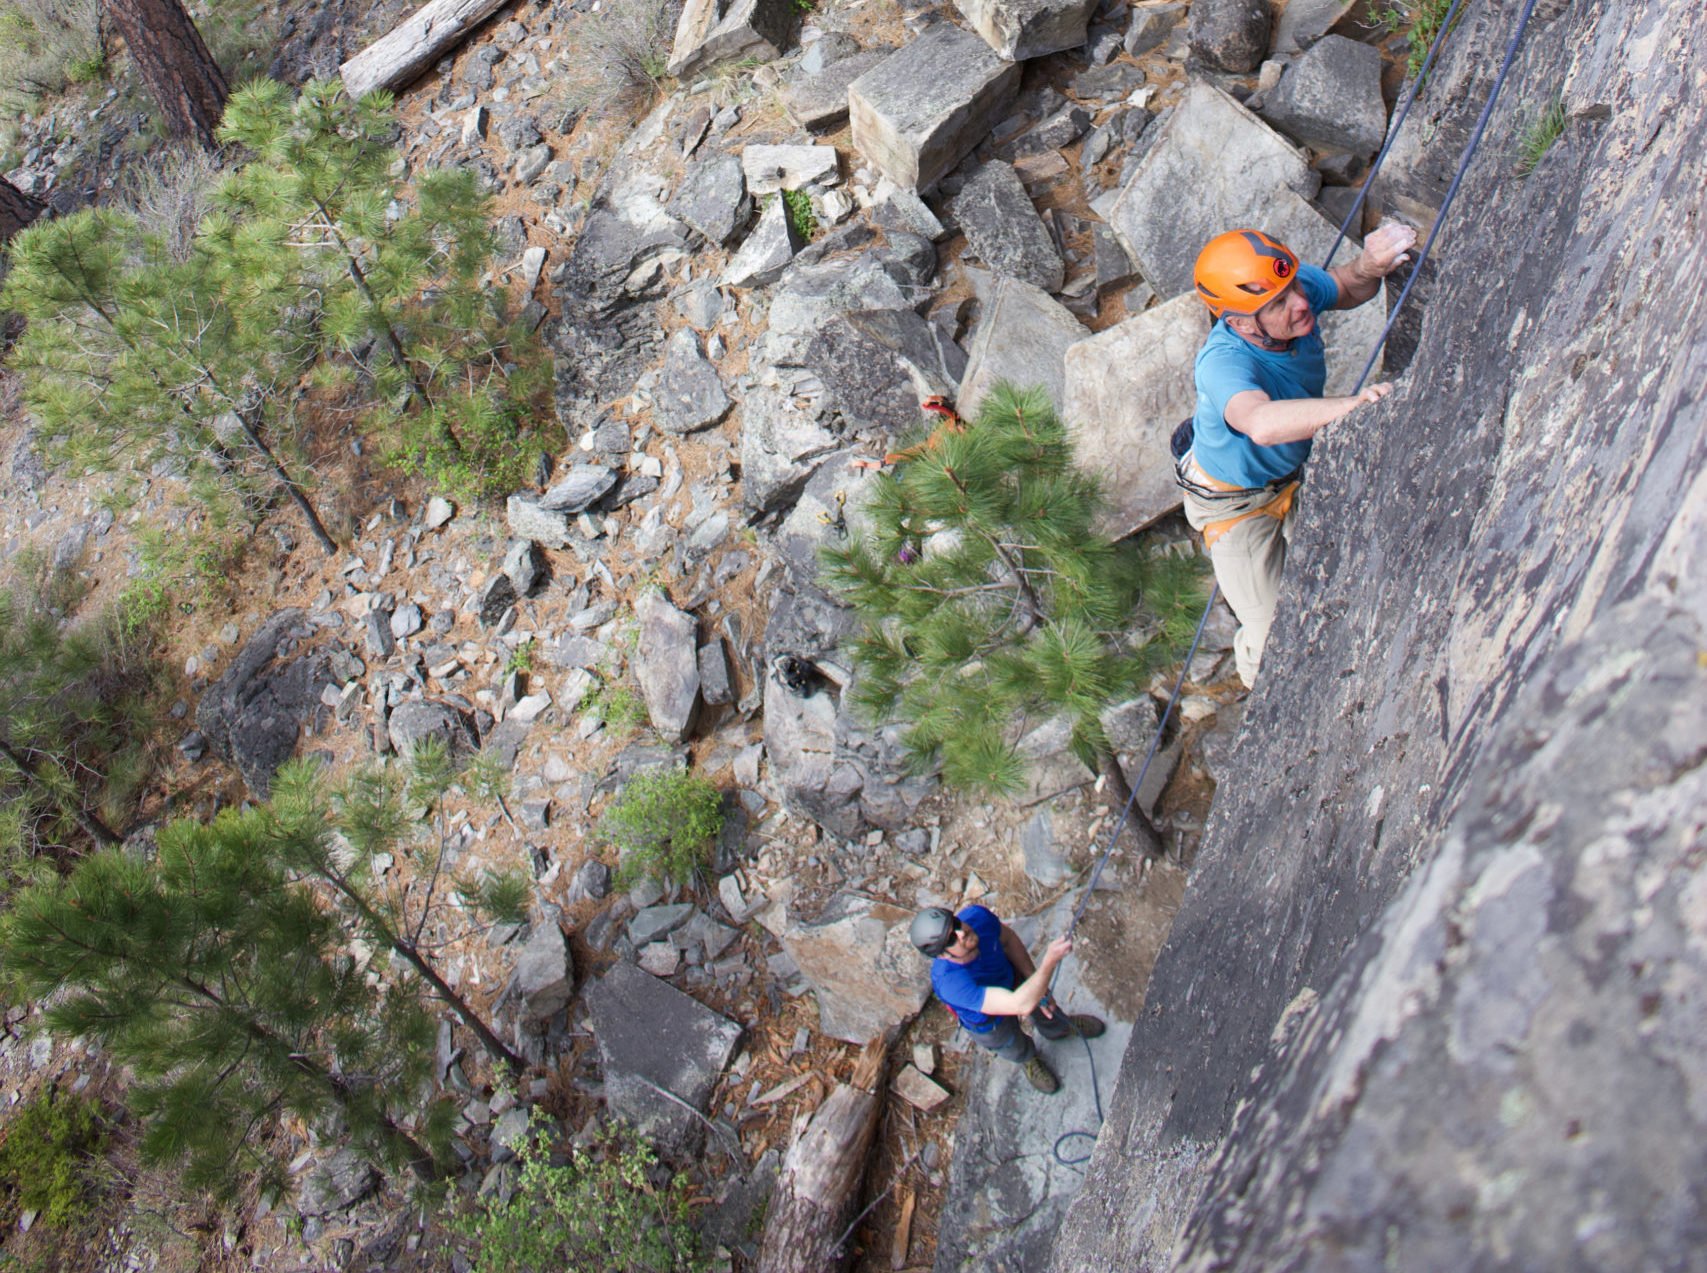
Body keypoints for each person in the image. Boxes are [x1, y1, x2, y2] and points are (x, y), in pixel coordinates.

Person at [1179, 223, 1417, 686]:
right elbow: (1261, 423)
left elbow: (1346, 285)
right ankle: (1260, 707)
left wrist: (1371, 264)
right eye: (1279, 304)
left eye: (1293, 290)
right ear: (1241, 322)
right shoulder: (1223, 363)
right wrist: (1350, 407)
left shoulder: (1288, 289)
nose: (1301, 303)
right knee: (1271, 638)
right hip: (1234, 506)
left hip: (1290, 475)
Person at [909, 904, 1105, 1094]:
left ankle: (1058, 1028)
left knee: (1043, 1005)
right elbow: (1019, 1004)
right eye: (951, 939)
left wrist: (1031, 977)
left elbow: (1008, 940)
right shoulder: (950, 983)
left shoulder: (977, 917)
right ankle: (1028, 1059)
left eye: (956, 923)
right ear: (942, 955)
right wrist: (1049, 963)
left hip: (1010, 977)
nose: (961, 932)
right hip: (987, 1019)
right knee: (1011, 1044)